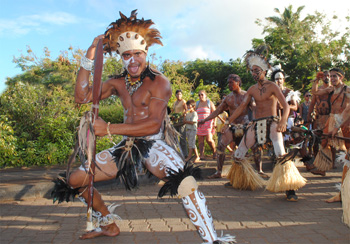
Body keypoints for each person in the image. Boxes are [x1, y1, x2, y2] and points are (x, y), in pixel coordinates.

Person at [53, 10, 235, 243]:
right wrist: (89, 54)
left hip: (154, 144)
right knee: (76, 180)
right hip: (126, 146)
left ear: (146, 53)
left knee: (186, 183)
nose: (132, 60)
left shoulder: (159, 82)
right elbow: (82, 96)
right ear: (120, 56)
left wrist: (108, 128)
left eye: (137, 54)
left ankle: (212, 240)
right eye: (126, 55)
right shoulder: (117, 82)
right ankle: (108, 224)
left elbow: (153, 124)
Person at [222, 47, 306, 201]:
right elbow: (241, 107)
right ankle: (238, 180)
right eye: (252, 71)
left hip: (273, 122)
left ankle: (290, 188)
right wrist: (228, 121)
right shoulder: (252, 90)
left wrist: (282, 121)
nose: (254, 74)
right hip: (256, 124)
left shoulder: (273, 86)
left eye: (257, 71)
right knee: (239, 153)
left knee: (280, 152)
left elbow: (286, 106)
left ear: (265, 71)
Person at [199, 74, 255, 179]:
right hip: (233, 125)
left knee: (255, 147)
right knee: (221, 146)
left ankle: (259, 170)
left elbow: (255, 108)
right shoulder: (228, 98)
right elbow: (217, 111)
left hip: (246, 124)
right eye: (228, 82)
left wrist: (253, 122)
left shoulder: (247, 95)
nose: (229, 85)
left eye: (231, 82)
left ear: (238, 83)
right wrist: (205, 120)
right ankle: (219, 172)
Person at [311, 68, 349, 177]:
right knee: (324, 142)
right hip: (331, 119)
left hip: (344, 121)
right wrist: (316, 81)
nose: (331, 78)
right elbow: (315, 92)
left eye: (334, 76)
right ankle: (322, 168)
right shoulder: (330, 89)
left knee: (347, 145)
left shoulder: (347, 90)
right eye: (330, 76)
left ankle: (347, 171)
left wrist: (341, 124)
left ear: (340, 77)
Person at [271, 66, 301, 147]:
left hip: (288, 119)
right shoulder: (271, 93)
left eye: (280, 78)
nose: (279, 81)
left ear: (284, 80)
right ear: (274, 81)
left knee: (287, 138)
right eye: (277, 79)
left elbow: (295, 107)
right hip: (275, 118)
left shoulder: (289, 92)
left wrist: (285, 106)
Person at [196, 90, 217, 160]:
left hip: (208, 123)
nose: (200, 96)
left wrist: (215, 123)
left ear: (205, 95)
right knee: (200, 140)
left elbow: (215, 113)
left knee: (209, 139)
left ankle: (214, 151)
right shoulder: (197, 103)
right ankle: (202, 154)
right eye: (199, 95)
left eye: (202, 94)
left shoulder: (209, 103)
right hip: (199, 124)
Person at [172, 89, 188, 158]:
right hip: (175, 121)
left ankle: (185, 154)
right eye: (177, 94)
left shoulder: (183, 101)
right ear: (175, 95)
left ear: (182, 95)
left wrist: (181, 116)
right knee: (175, 137)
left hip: (181, 120)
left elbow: (186, 110)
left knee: (182, 137)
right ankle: (177, 153)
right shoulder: (175, 103)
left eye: (180, 94)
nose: (179, 95)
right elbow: (173, 111)